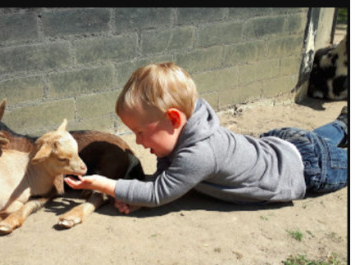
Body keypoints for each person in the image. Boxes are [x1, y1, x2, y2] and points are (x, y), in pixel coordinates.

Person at [65, 62, 348, 214]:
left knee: (326, 153)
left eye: (140, 132)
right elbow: (168, 175)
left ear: (174, 120)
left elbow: (159, 192)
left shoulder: (199, 154)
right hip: (285, 143)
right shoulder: (190, 126)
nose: (138, 142)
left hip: (309, 169)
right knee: (316, 141)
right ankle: (343, 124)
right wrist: (139, 199)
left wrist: (108, 185)